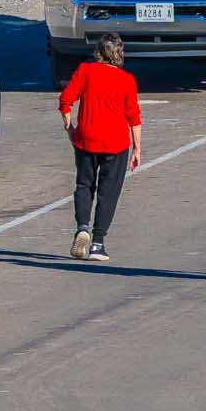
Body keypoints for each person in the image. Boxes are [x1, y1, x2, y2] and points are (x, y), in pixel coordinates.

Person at [57, 32, 142, 262]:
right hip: (115, 144)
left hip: (86, 139)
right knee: (108, 193)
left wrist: (69, 126)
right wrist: (137, 148)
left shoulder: (86, 71)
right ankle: (97, 243)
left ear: (98, 52)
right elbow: (133, 117)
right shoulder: (127, 80)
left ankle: (82, 227)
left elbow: (66, 99)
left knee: (84, 185)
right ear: (119, 54)